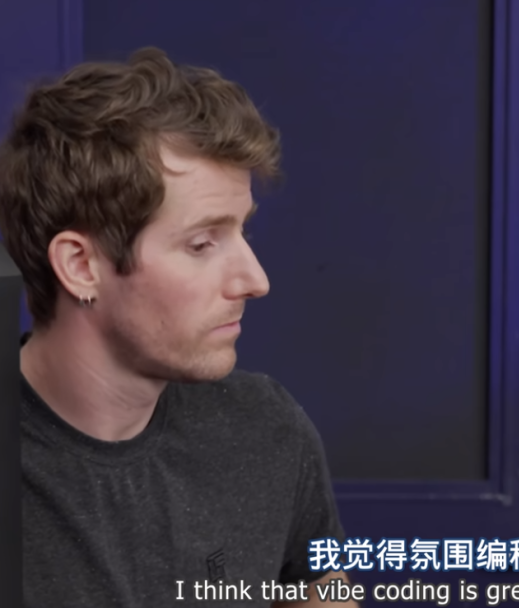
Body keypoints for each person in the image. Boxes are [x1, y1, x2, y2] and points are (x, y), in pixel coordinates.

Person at [0, 48, 357, 607]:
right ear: (81, 265)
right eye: (202, 243)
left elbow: (322, 591)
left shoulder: (266, 430)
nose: (256, 280)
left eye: (242, 232)